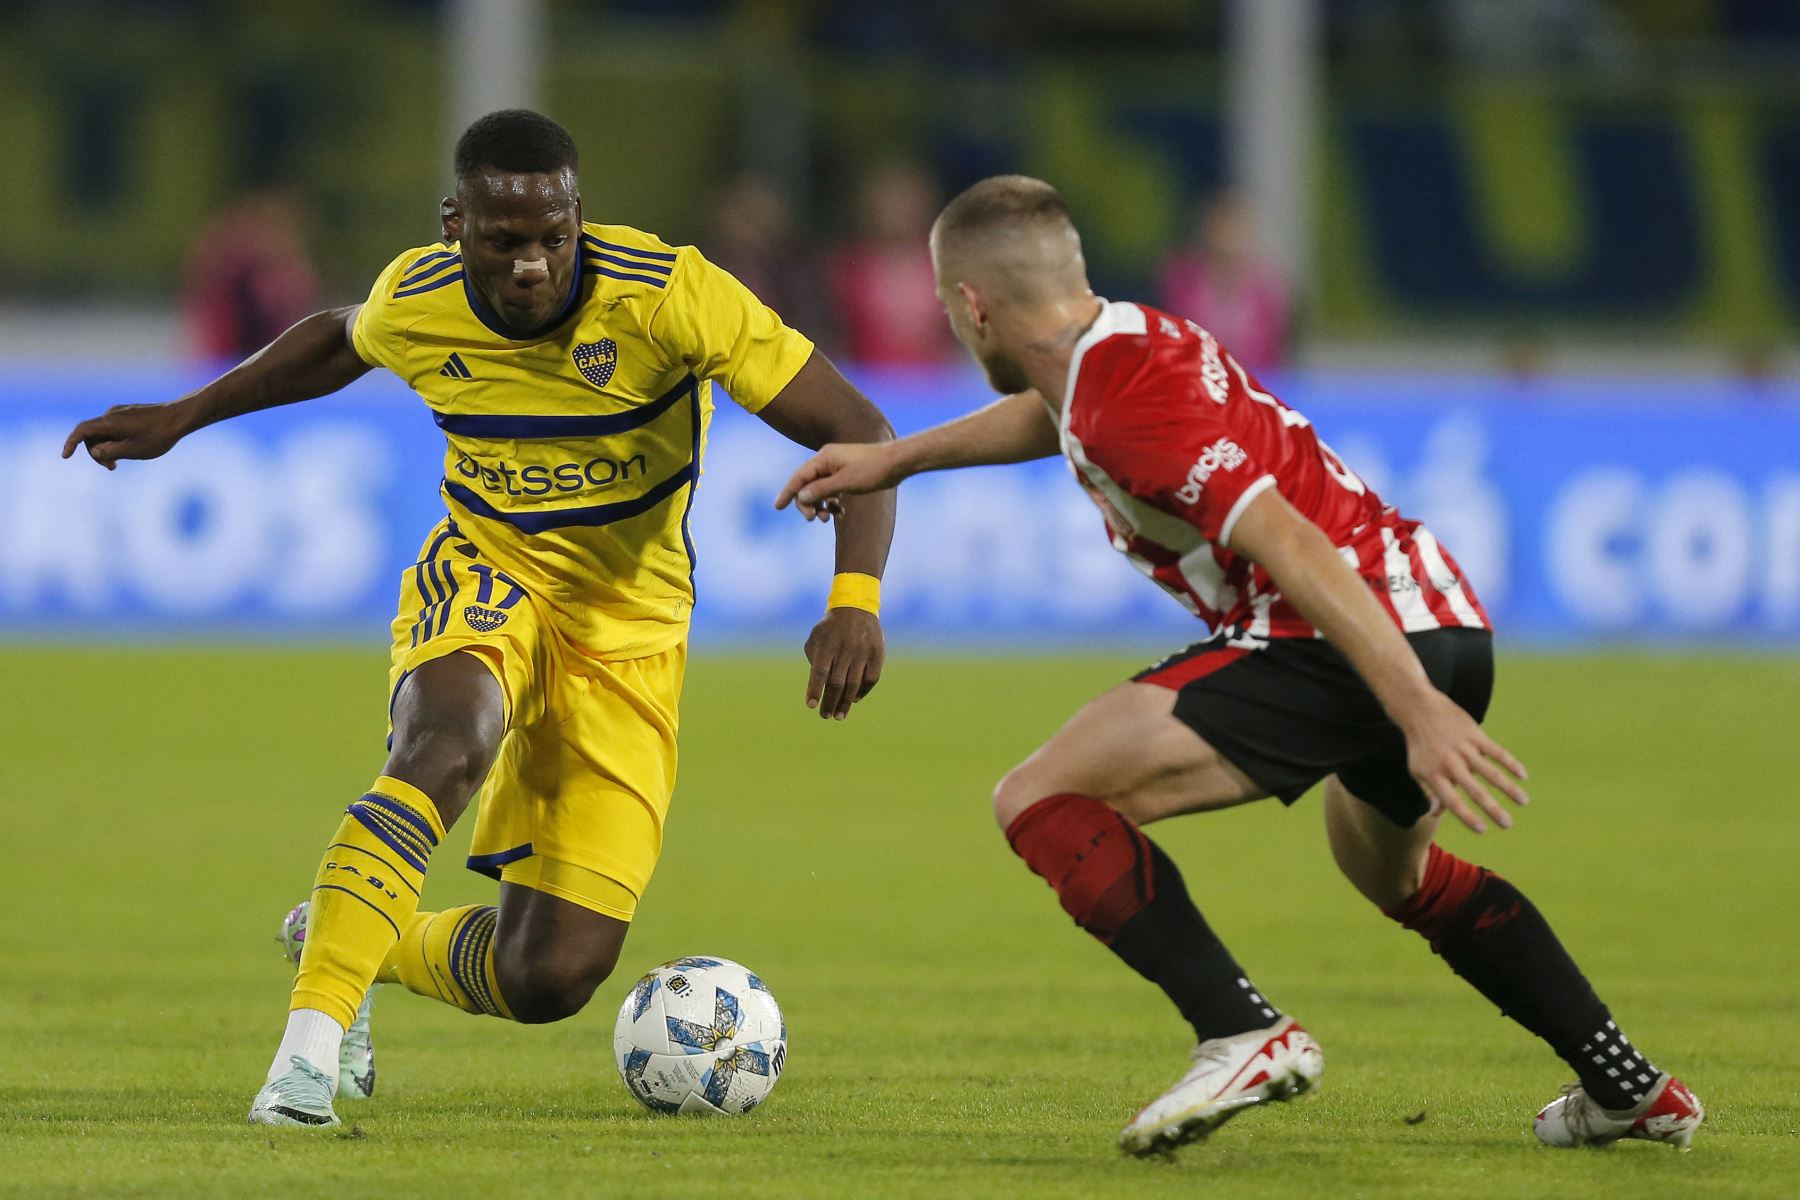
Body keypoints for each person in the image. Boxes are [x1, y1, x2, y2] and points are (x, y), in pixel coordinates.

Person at [775, 175, 1702, 1156]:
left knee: (1041, 796)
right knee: (1396, 874)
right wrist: (897, 458)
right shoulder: (1117, 343)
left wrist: (1417, 711)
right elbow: (1056, 419)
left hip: (1344, 633)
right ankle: (1627, 1086)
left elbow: (1293, 546)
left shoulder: (1129, 405)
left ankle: (1240, 1028)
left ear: (970, 307)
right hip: (1440, 619)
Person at [63, 109, 896, 1129]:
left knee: (550, 974)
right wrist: (182, 416)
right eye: (505, 242)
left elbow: (858, 429)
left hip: (629, 631)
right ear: (455, 225)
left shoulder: (671, 296)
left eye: (554, 237)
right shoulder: (419, 297)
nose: (536, 266)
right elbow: (337, 341)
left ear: (580, 218)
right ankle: (306, 1059)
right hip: (487, 571)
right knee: (446, 742)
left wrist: (853, 599)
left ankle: (350, 935)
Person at [1154, 189, 1290, 377]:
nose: (1228, 238)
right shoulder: (1182, 283)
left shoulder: (1266, 291)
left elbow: (1277, 352)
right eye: (1221, 227)